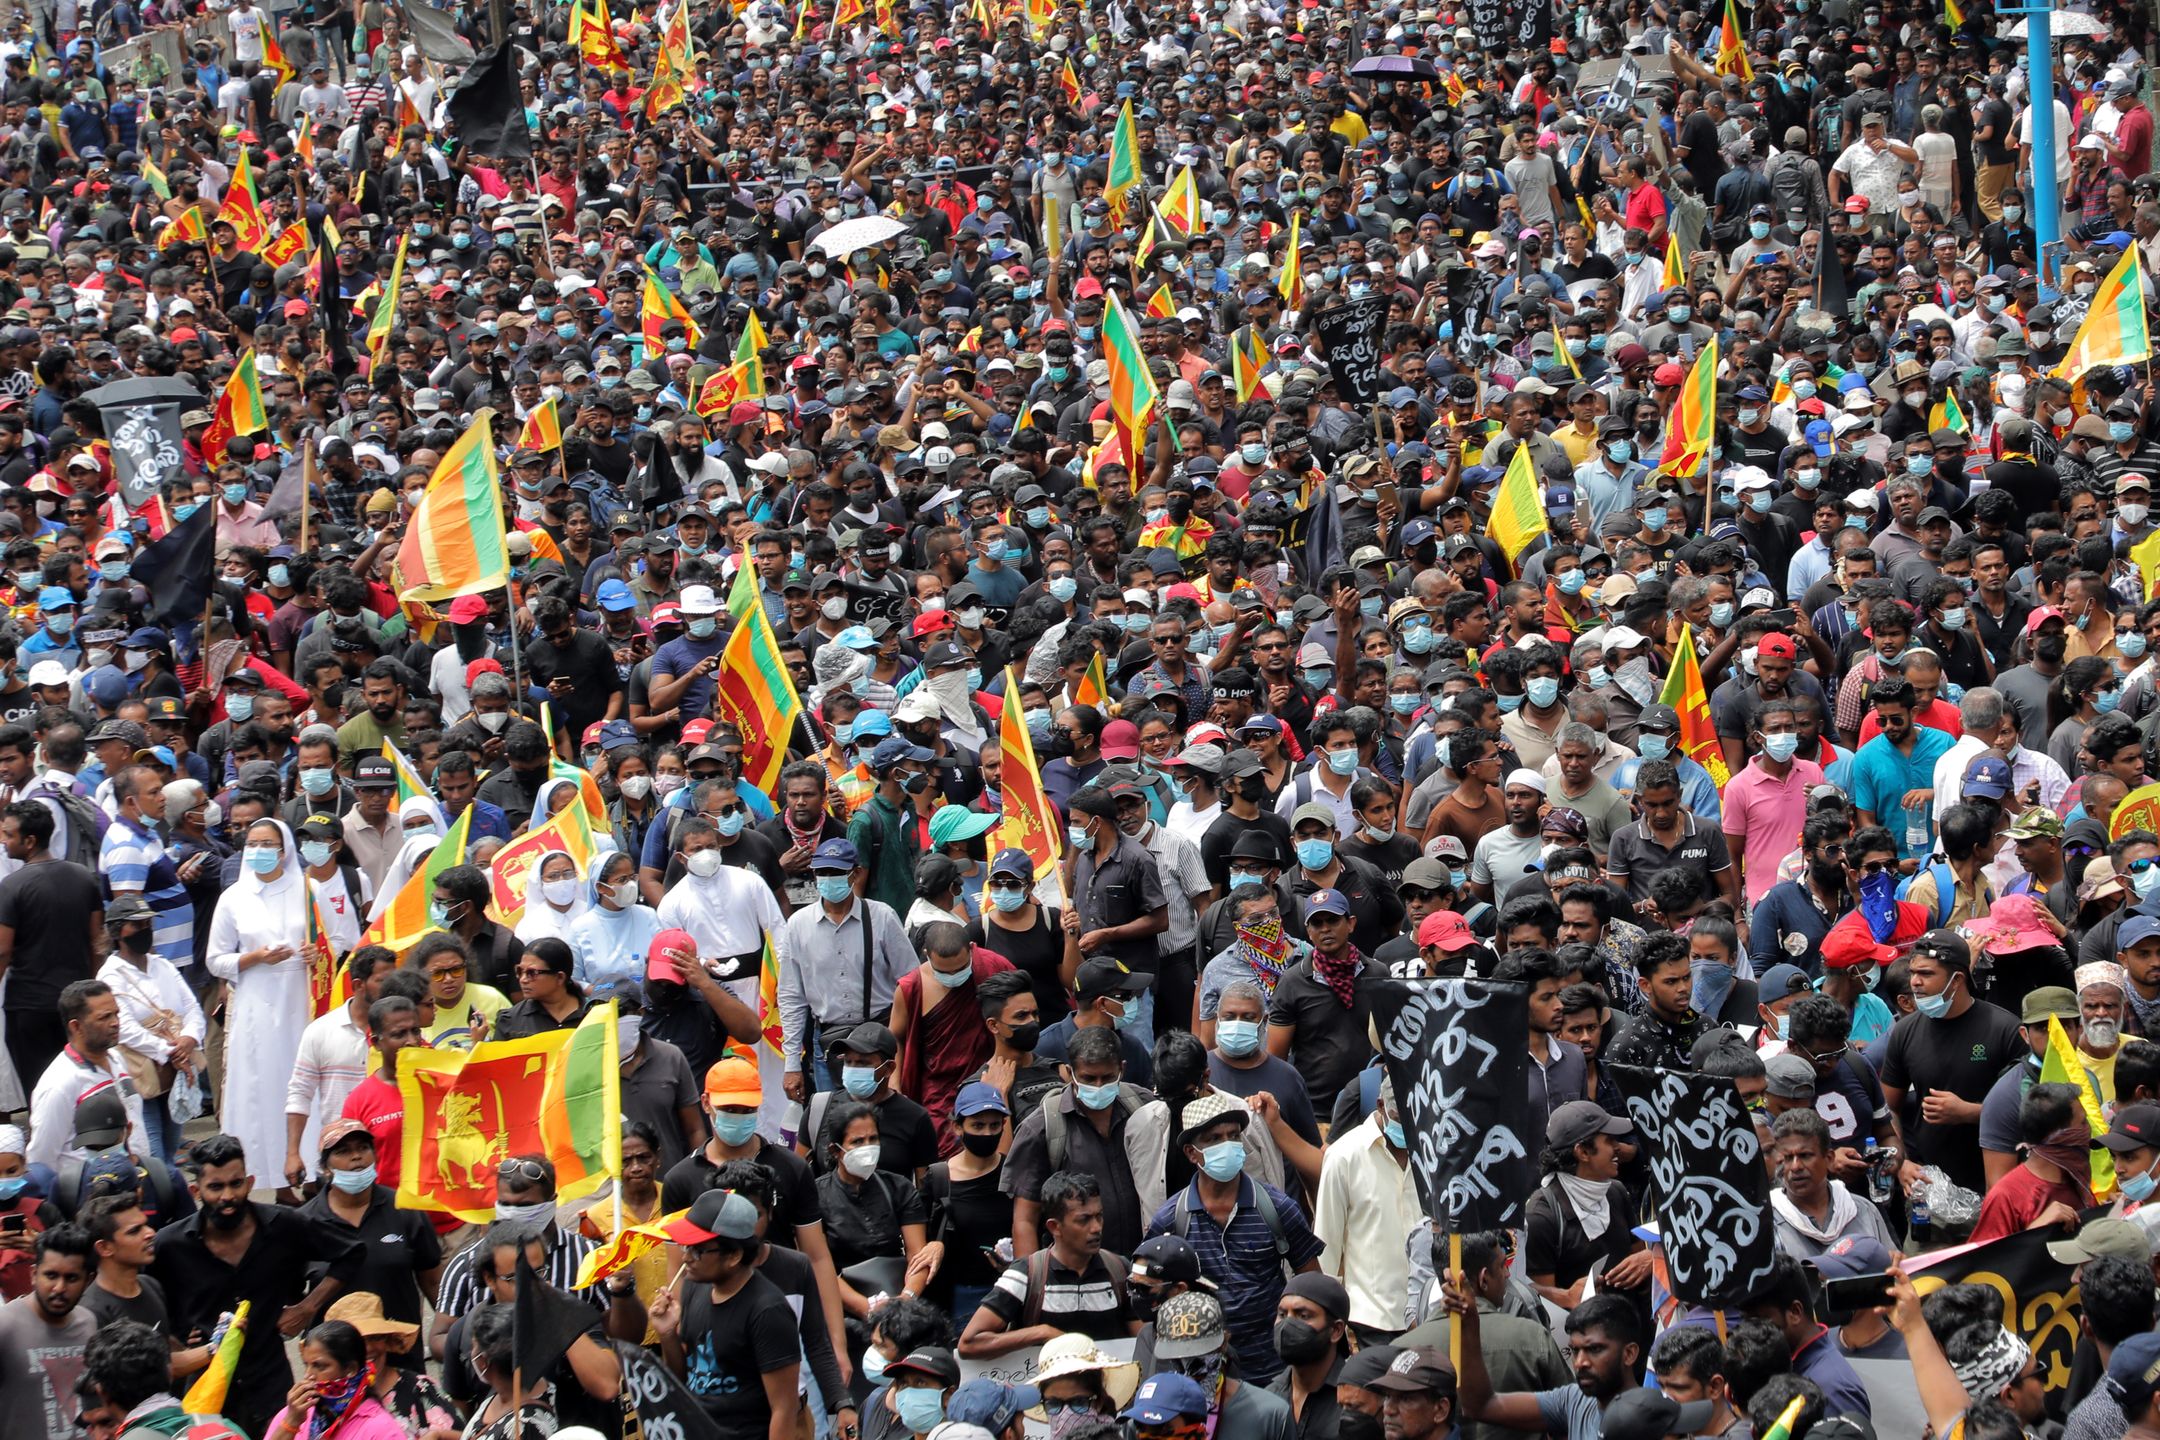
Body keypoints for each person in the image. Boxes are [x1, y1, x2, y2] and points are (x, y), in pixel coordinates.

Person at [150, 1133, 364, 1439]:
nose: (227, 1196)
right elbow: (143, 1299)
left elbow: (351, 1252)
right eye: (215, 1187)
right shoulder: (170, 1245)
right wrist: (178, 1347)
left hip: (271, 1386)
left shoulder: (284, 1225)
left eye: (235, 1184)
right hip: (206, 1392)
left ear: (249, 1183)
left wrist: (307, 1307)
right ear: (196, 1190)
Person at [204, 819, 315, 1192]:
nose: (259, 850)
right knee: (262, 1085)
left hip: (301, 998)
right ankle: (272, 1180)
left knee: (303, 1078)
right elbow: (215, 960)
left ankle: (312, 1168)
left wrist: (317, 953)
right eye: (252, 843)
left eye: (267, 843)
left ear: (284, 849)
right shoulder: (234, 897)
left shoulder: (307, 889)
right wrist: (254, 958)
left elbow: (338, 940)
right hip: (257, 1002)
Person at [653, 1189, 805, 1439]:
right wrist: (668, 1333)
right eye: (685, 1246)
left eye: (698, 1250)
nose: (685, 1258)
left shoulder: (767, 1311)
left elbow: (784, 1409)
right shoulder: (694, 1288)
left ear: (734, 1255)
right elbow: (682, 1380)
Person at [301, 1121, 442, 1369]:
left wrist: (450, 1336)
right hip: (335, 1370)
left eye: (363, 1148)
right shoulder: (303, 1224)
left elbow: (432, 1282)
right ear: (325, 1167)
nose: (356, 1157)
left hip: (399, 1359)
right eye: (342, 1151)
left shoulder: (405, 1210)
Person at [0, 1222, 96, 1440]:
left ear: (87, 1281)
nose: (59, 1288)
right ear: (33, 1275)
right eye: (51, 1276)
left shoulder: (89, 1322)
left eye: (71, 1278)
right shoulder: (5, 1327)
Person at [259, 1319, 410, 1440]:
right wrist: (290, 1423)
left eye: (320, 1366)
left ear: (350, 1370)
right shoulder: (292, 1415)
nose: (308, 1375)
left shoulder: (380, 1429)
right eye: (307, 1365)